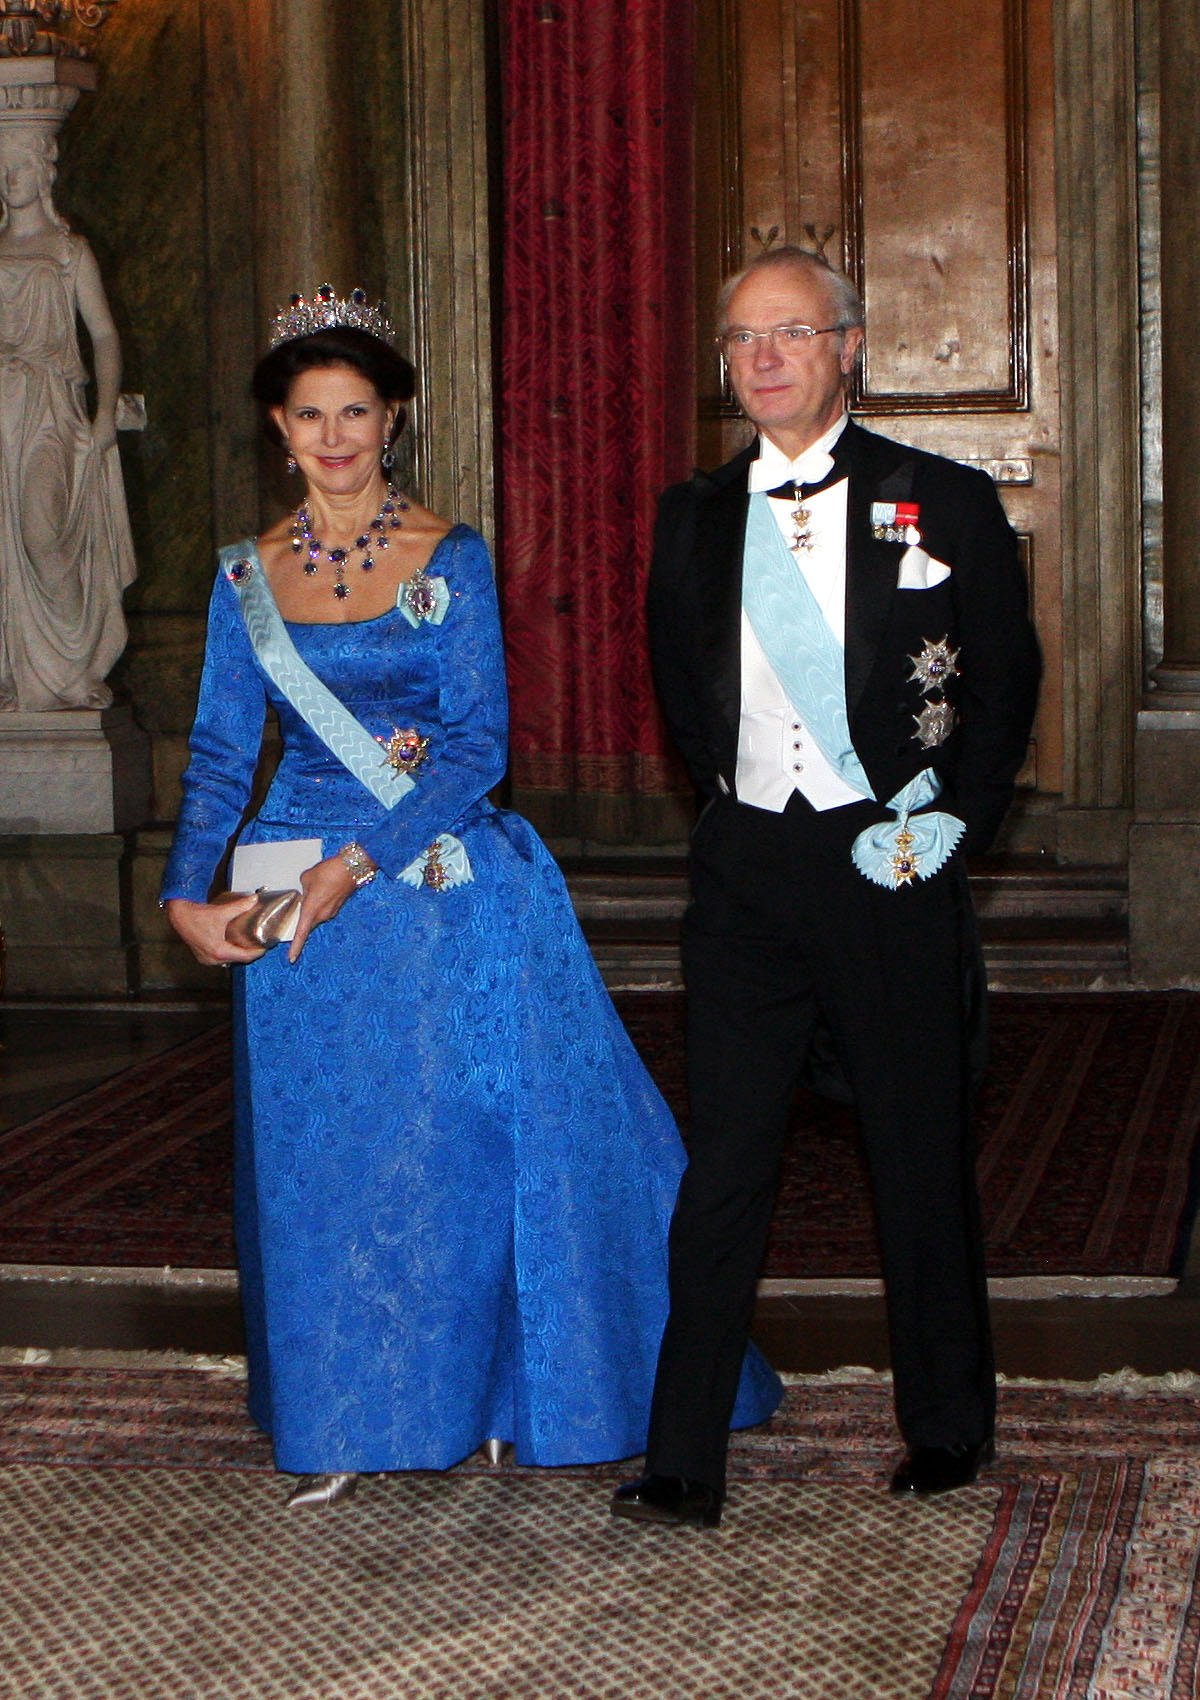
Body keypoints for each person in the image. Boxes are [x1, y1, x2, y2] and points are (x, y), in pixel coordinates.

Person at [161, 286, 781, 1507]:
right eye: (307, 415)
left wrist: (358, 862)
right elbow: (224, 754)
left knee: (456, 1151)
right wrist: (189, 895)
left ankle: (493, 1397)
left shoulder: (451, 556)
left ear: (391, 417)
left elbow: (474, 747)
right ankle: (347, 1410)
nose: (333, 436)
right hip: (295, 902)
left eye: (354, 410)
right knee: (326, 1162)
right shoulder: (245, 579)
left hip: (434, 884)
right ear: (277, 431)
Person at [612, 247, 1041, 1531]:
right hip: (749, 871)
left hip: (888, 859)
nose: (765, 358)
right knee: (727, 1160)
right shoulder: (692, 515)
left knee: (914, 1147)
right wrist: (740, 817)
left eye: (791, 333)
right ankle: (684, 1451)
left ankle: (950, 1425)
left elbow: (1004, 686)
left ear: (848, 345)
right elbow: (685, 689)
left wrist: (944, 823)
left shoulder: (943, 500)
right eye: (743, 338)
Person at [0, 130, 135, 711]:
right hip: (1, 404)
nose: (11, 179)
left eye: (20, 168)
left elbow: (103, 334)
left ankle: (71, 665)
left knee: (43, 532)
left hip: (50, 406)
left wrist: (104, 412)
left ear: (43, 174)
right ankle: (15, 674)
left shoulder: (69, 251)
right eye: (4, 170)